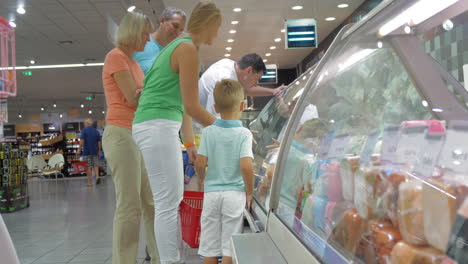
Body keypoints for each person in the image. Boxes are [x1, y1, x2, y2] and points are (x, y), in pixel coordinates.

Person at [132, 2, 222, 263]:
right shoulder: (187, 49)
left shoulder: (176, 46)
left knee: (169, 201)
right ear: (206, 24)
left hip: (158, 125)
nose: (214, 36)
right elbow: (193, 106)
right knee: (167, 204)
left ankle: (173, 259)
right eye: (215, 29)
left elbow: (183, 103)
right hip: (156, 126)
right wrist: (227, 129)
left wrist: (190, 142)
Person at [101, 11, 159, 264]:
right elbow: (133, 98)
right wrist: (157, 83)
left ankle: (162, 257)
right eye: (145, 34)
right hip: (121, 135)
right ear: (134, 32)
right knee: (130, 205)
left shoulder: (133, 62)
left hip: (137, 134)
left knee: (151, 201)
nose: (148, 40)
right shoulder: (116, 58)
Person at [195, 79, 254, 264]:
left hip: (212, 194)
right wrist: (250, 192)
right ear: (243, 105)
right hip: (234, 194)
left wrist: (203, 179)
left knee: (210, 246)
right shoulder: (244, 134)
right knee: (230, 245)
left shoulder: (208, 132)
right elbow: (246, 166)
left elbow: (200, 162)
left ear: (215, 107)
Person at [198, 53, 286, 117]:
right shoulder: (224, 80)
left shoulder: (228, 63)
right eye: (256, 79)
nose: (256, 84)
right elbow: (215, 118)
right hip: (198, 127)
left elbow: (246, 89)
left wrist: (273, 91)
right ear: (249, 71)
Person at [134, 7, 187, 75]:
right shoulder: (139, 43)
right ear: (162, 21)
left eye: (181, 30)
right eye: (175, 26)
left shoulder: (175, 52)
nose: (177, 32)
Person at [78, 118, 102, 186]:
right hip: (95, 151)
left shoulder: (84, 130)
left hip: (87, 152)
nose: (84, 124)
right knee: (95, 164)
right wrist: (99, 151)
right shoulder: (96, 131)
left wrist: (79, 149)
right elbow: (99, 142)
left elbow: (82, 141)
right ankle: (97, 176)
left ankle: (90, 182)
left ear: (87, 123)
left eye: (84, 123)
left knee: (88, 167)